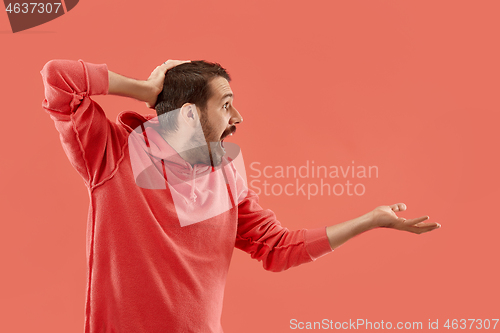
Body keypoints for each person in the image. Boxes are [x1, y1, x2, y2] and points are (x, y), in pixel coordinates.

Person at [40, 58, 441, 333]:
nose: (238, 119)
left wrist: (370, 220)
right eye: (227, 105)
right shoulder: (112, 152)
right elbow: (58, 78)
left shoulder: (226, 173)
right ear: (189, 115)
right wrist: (145, 89)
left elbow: (278, 248)